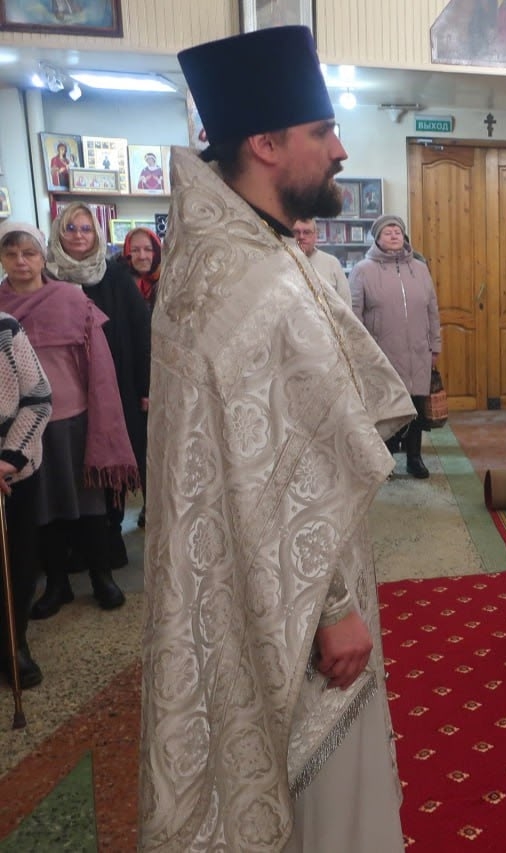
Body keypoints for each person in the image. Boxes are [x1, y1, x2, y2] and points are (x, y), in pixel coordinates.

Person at [141, 26, 414, 852]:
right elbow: (276, 469)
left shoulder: (235, 250)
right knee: (325, 795)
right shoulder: (253, 278)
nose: (340, 150)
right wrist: (335, 609)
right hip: (298, 596)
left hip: (262, 570)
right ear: (264, 144)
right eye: (322, 131)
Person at [0, 222, 138, 623]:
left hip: (74, 417)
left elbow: (97, 362)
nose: (21, 261)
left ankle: (101, 576)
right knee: (43, 509)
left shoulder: (70, 298)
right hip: (23, 428)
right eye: (11, 254)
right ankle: (57, 584)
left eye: (29, 253)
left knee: (89, 502)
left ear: (43, 256)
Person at [45, 202, 151, 576]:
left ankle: (109, 537)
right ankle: (77, 543)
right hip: (64, 392)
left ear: (97, 234)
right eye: (71, 228)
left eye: (86, 228)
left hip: (115, 388)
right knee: (73, 465)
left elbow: (141, 333)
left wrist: (145, 387)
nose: (78, 235)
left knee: (110, 460)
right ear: (58, 232)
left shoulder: (115, 276)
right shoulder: (45, 278)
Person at [350, 214, 441, 480]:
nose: (393, 235)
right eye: (387, 232)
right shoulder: (363, 270)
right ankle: (386, 460)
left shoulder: (420, 268)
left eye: (398, 231)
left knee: (416, 406)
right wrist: (360, 351)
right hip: (382, 353)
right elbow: (353, 314)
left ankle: (414, 458)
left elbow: (432, 309)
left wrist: (435, 345)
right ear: (377, 238)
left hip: (418, 351)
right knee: (387, 408)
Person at [0, 304, 52, 689]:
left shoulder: (6, 328)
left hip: (13, 469)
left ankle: (14, 642)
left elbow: (38, 398)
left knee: (17, 563)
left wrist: (7, 461)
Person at [294, 217, 352, 305]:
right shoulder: (282, 263)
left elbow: (346, 305)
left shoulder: (332, 264)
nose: (301, 236)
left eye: (307, 232)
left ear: (316, 235)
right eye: (296, 232)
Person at [116, 226, 162, 311]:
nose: (142, 256)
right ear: (127, 253)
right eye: (135, 250)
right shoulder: (117, 283)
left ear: (157, 251)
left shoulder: (171, 281)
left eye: (148, 249)